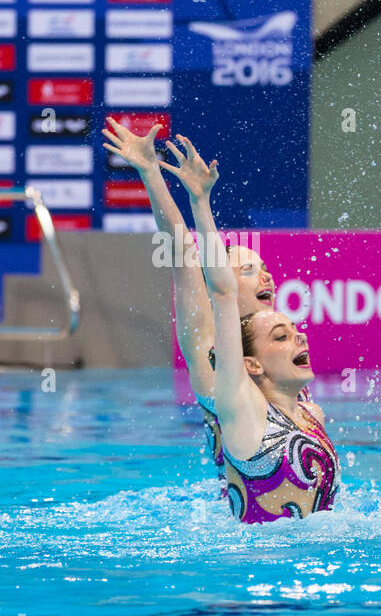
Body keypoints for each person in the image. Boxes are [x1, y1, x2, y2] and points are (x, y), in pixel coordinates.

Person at [102, 118, 289, 492]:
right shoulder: (210, 357)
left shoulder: (282, 350)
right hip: (248, 531)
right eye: (250, 271)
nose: (266, 277)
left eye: (266, 269)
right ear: (222, 283)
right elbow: (182, 254)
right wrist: (150, 170)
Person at [171, 136, 338, 522]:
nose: (267, 277)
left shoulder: (309, 409)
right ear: (251, 364)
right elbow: (214, 286)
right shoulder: (235, 395)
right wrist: (197, 200)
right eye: (248, 271)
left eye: (290, 331)